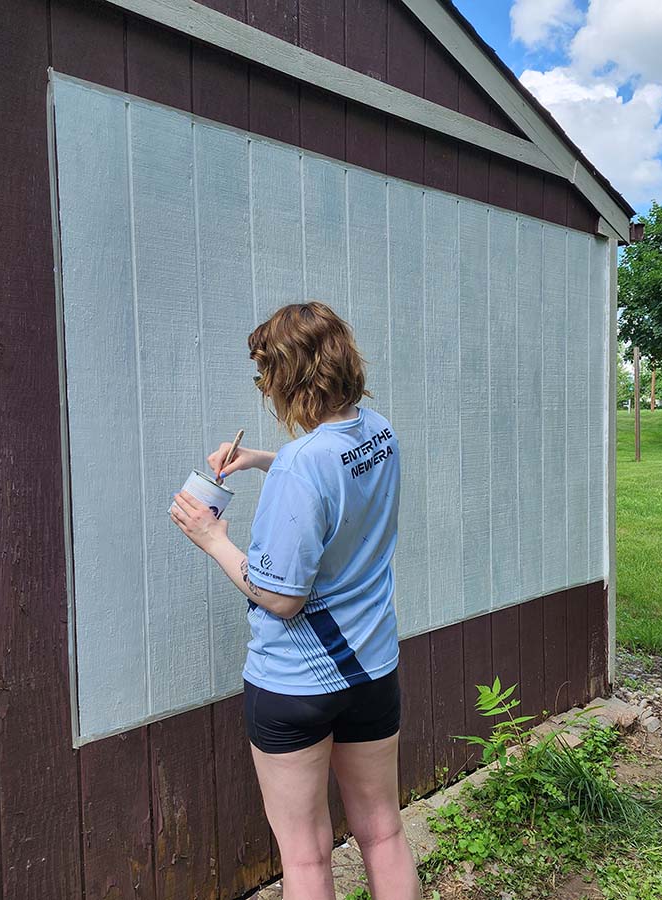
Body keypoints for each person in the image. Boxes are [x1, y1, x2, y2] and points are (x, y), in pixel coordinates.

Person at [170, 301, 422, 900]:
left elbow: (280, 598)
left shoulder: (303, 466)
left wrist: (212, 539)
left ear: (290, 378)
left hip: (296, 684)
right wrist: (261, 459)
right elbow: (332, 470)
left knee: (307, 861)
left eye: (265, 375)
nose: (264, 389)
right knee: (384, 833)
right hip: (372, 670)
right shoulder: (379, 431)